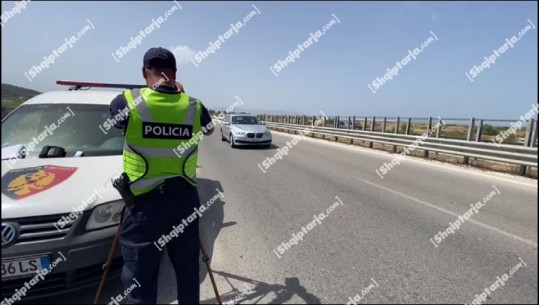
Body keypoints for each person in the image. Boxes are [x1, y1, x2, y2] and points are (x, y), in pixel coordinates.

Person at [108, 47, 214, 304]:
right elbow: (209, 130)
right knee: (188, 273)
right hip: (183, 204)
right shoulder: (194, 106)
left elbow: (112, 123)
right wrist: (182, 97)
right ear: (175, 75)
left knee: (139, 282)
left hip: (143, 206)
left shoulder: (127, 102)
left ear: (145, 72)